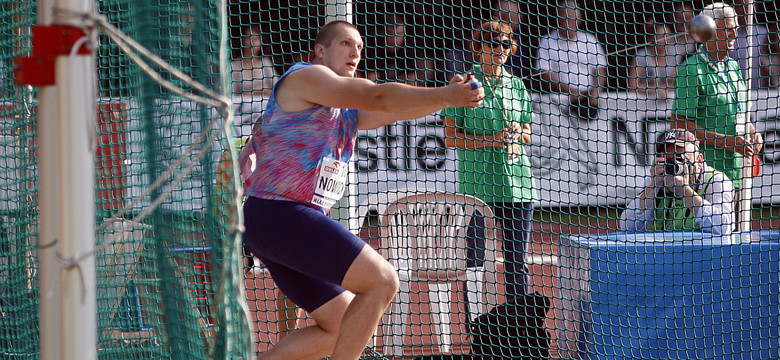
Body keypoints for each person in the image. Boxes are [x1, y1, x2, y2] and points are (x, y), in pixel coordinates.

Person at [239, 20, 484, 360]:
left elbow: (391, 108)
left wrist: (448, 100)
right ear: (320, 50)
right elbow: (378, 95)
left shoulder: (343, 107)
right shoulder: (306, 76)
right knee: (383, 281)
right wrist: (446, 94)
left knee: (341, 326)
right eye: (345, 43)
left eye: (359, 47)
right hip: (279, 213)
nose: (355, 52)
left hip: (282, 220)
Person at [441, 20, 538, 303]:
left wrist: (521, 132)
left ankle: (520, 328)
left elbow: (529, 132)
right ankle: (476, 331)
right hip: (478, 186)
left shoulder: (517, 85)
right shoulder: (463, 85)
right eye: (492, 43)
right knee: (475, 262)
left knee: (516, 264)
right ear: (478, 48)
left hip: (518, 185)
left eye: (505, 44)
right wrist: (491, 139)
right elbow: (450, 138)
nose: (499, 49)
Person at [671, 2, 763, 225]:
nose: (735, 33)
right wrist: (728, 142)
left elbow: (740, 110)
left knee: (740, 238)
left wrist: (752, 131)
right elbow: (679, 125)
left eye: (736, 27)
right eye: (729, 28)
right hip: (709, 176)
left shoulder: (733, 66)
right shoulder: (691, 70)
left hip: (739, 168)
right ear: (709, 31)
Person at [620, 129, 735, 236]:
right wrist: (653, 187)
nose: (675, 165)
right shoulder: (658, 178)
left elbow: (724, 227)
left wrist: (685, 191)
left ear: (699, 160)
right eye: (669, 160)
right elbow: (627, 226)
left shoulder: (717, 181)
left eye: (680, 158)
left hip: (702, 253)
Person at [536, 0, 608, 120]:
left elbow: (600, 69)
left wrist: (597, 91)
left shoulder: (590, 40)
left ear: (578, 20)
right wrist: (569, 90)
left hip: (589, 98)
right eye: (563, 20)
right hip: (560, 99)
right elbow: (543, 72)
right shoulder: (547, 41)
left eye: (570, 20)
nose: (566, 24)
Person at [627, 24, 679, 99]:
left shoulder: (675, 56)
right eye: (661, 37)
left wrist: (663, 90)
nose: (666, 40)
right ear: (651, 39)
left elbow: (676, 84)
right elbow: (632, 86)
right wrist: (655, 90)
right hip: (643, 100)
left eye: (668, 36)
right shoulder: (641, 56)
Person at [729, 0, 771, 90]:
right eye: (741, 6)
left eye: (749, 6)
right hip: (733, 90)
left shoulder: (764, 33)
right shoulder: (726, 35)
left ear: (755, 8)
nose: (745, 10)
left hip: (760, 91)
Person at [232, 24, 279, 97]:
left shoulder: (265, 62)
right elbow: (232, 96)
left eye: (255, 39)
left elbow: (277, 89)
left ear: (261, 42)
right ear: (242, 40)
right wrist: (258, 89)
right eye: (249, 38)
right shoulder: (233, 65)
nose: (252, 42)